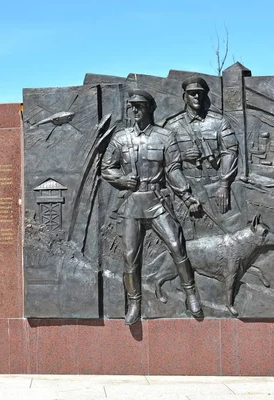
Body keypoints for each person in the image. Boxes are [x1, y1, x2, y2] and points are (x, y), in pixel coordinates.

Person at [101, 90, 203, 325]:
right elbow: (107, 168)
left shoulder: (165, 137)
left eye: (140, 106)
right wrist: (121, 180)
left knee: (177, 246)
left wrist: (187, 197)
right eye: (132, 106)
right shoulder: (121, 138)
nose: (135, 110)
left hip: (157, 201)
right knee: (129, 257)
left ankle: (191, 294)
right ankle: (135, 302)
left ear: (150, 108)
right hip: (132, 203)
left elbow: (173, 170)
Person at [164, 76, 240, 235]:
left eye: (200, 93)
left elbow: (230, 151)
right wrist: (183, 156)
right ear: (185, 97)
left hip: (214, 184)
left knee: (227, 233)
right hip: (186, 187)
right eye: (192, 93)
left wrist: (224, 184)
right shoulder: (172, 125)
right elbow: (166, 161)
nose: (197, 96)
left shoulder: (218, 122)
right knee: (190, 237)